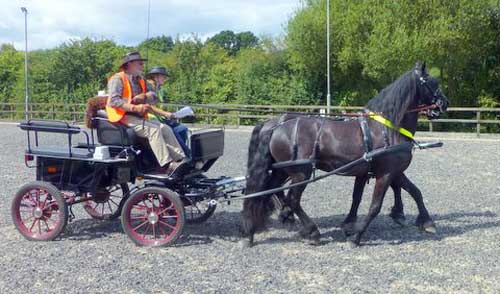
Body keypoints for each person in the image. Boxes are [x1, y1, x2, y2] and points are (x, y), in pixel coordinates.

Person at [106, 51, 190, 178]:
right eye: (139, 63)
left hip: (138, 117)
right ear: (129, 64)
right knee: (154, 130)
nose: (142, 65)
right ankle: (165, 165)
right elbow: (113, 101)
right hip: (123, 117)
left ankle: (180, 160)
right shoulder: (117, 79)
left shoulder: (141, 80)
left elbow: (154, 96)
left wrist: (145, 96)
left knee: (165, 128)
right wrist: (135, 107)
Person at [146, 66, 191, 157]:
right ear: (156, 77)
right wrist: (166, 114)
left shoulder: (159, 89)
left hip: (160, 117)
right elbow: (149, 106)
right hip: (150, 118)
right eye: (163, 76)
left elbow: (158, 105)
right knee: (173, 131)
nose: (165, 79)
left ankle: (180, 153)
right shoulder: (149, 87)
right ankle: (185, 155)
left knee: (182, 129)